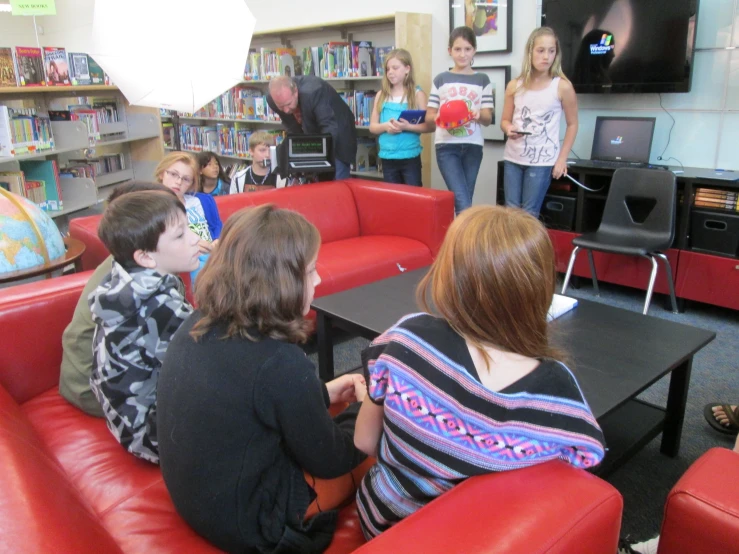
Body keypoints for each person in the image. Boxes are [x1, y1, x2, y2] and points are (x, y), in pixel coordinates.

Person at [353, 205, 606, 539]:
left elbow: (364, 440)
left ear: (449, 275)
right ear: (541, 289)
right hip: (483, 539)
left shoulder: (406, 338)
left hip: (385, 528)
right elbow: (579, 465)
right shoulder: (557, 392)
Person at [158, 204, 369, 553]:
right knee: (380, 439)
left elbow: (250, 399)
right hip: (252, 525)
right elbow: (330, 458)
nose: (318, 280)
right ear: (281, 282)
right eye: (311, 271)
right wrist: (362, 413)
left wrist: (321, 393)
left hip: (200, 503)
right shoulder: (280, 362)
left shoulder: (196, 323)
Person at [89, 190, 200, 463]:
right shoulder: (159, 306)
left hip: (124, 422)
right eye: (180, 235)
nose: (196, 238)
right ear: (146, 257)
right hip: (151, 434)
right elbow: (213, 359)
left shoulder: (127, 279)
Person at [59, 181, 176, 417]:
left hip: (90, 378)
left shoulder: (128, 260)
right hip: (91, 390)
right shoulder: (136, 281)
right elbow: (176, 349)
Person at [501, 26, 579, 217]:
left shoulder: (562, 86)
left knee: (529, 215)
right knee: (510, 213)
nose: (546, 56)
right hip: (513, 158)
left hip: (542, 162)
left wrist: (561, 159)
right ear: (530, 52)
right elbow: (504, 120)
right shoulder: (514, 85)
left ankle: (529, 249)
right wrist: (509, 128)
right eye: (541, 50)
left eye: (551, 51)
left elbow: (572, 124)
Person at [426, 26, 494, 215]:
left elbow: (488, 118)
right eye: (457, 49)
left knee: (465, 200)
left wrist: (478, 114)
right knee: (463, 202)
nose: (462, 54)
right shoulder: (441, 79)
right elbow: (429, 116)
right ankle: (465, 244)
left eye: (467, 49)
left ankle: (459, 241)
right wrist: (438, 117)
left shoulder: (483, 80)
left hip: (473, 147)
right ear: (450, 51)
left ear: (474, 50)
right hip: (447, 147)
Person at [267, 75, 357, 180]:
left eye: (288, 104)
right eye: (281, 107)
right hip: (312, 132)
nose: (286, 110)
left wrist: (316, 159)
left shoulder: (314, 91)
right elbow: (292, 126)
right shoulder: (272, 99)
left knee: (335, 184)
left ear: (295, 91)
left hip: (338, 134)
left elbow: (329, 127)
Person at [154, 151, 222, 279]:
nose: (178, 182)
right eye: (174, 174)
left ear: (192, 183)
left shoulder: (203, 200)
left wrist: (217, 241)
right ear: (162, 173)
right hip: (188, 261)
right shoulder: (154, 207)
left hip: (213, 255)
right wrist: (191, 247)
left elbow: (217, 226)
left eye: (186, 179)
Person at [369, 48, 427, 186]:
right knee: (393, 200)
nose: (390, 72)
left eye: (395, 68)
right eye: (388, 69)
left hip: (410, 157)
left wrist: (407, 126)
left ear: (407, 69)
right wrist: (385, 126)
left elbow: (427, 126)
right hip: (388, 158)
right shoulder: (381, 95)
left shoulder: (418, 95)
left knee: (414, 198)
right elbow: (373, 127)